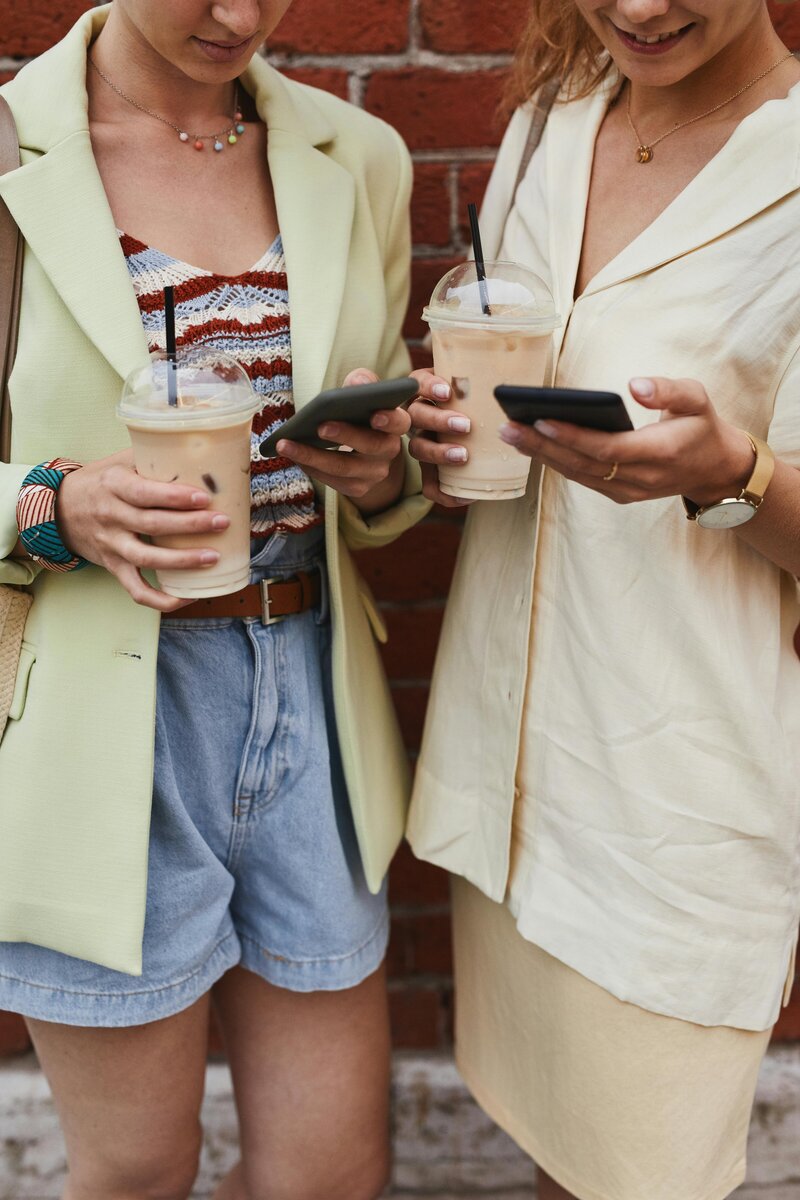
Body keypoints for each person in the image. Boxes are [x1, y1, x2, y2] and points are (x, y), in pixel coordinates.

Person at [0, 2, 428, 1197]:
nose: (238, 15)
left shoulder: (356, 155)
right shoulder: (12, 149)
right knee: (136, 1171)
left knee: (328, 1176)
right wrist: (52, 502)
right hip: (94, 717)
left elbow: (385, 491)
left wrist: (380, 470)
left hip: (308, 695)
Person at [405, 2, 800, 1198]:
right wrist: (440, 434)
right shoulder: (544, 131)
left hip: (668, 802)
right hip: (513, 787)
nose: (636, 7)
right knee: (553, 1157)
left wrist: (732, 475)